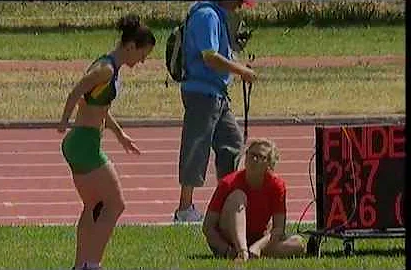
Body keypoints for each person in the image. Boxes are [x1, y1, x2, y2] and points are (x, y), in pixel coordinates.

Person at [57, 14, 156, 270]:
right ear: (131, 46)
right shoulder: (106, 69)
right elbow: (77, 91)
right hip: (84, 143)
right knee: (115, 204)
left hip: (82, 142)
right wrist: (63, 121)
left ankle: (81, 265)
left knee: (93, 205)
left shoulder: (109, 66)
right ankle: (92, 264)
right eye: (142, 54)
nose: (142, 61)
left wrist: (119, 134)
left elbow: (96, 106)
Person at [175, 0, 258, 222]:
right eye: (240, 1)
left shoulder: (218, 15)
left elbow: (220, 54)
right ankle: (184, 208)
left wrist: (238, 66)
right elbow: (209, 57)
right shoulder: (207, 16)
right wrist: (240, 71)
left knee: (232, 143)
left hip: (218, 93)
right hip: (201, 92)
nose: (240, 6)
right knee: (196, 147)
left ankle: (227, 202)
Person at [202, 138, 306, 260]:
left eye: (260, 157)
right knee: (238, 196)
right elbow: (208, 227)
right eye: (251, 155)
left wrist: (258, 247)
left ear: (269, 165)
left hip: (257, 239)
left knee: (299, 243)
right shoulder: (228, 183)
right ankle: (241, 252)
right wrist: (226, 249)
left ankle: (252, 254)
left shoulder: (277, 185)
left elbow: (279, 229)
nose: (254, 160)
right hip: (229, 239)